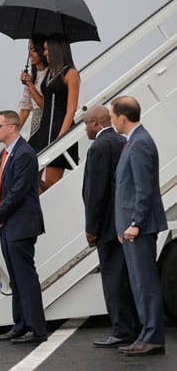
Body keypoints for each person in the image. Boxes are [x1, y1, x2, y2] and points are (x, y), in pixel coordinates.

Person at [110, 96, 168, 356]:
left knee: (146, 283)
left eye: (112, 116)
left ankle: (153, 337)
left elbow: (144, 190)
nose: (111, 120)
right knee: (138, 283)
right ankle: (146, 334)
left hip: (140, 228)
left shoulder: (140, 143)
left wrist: (134, 223)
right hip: (132, 229)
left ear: (123, 117)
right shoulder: (133, 141)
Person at [81, 105, 140, 348]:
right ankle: (132, 326)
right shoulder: (122, 141)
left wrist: (91, 227)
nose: (85, 129)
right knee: (125, 279)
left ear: (96, 123)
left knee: (113, 280)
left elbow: (97, 192)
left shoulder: (99, 147)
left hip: (106, 226)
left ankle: (121, 331)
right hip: (121, 222)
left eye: (86, 124)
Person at [0, 110, 47, 344]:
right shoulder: (6, 154)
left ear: (12, 127)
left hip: (21, 224)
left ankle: (37, 328)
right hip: (9, 223)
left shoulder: (24, 153)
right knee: (15, 277)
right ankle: (21, 324)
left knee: (25, 277)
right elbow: (1, 188)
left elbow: (18, 192)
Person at [28, 34, 79, 192]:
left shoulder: (71, 73)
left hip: (59, 131)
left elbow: (71, 109)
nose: (44, 53)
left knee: (51, 185)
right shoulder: (49, 72)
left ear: (56, 49)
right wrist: (29, 84)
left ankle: (51, 210)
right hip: (43, 133)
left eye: (46, 49)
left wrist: (60, 139)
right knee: (29, 176)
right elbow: (44, 104)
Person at [18, 35, 47, 138]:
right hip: (35, 122)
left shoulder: (51, 74)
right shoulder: (31, 76)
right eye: (28, 50)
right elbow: (25, 109)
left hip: (47, 121)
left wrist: (30, 85)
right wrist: (14, 134)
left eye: (33, 50)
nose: (30, 54)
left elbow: (45, 105)